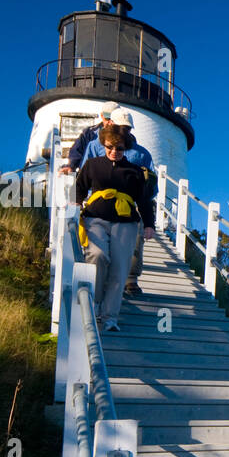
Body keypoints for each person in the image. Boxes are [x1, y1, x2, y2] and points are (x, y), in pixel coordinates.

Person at [73, 124, 155, 331]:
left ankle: (110, 318)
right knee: (97, 256)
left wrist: (149, 225)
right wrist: (75, 204)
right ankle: (94, 305)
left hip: (126, 223)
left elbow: (144, 200)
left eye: (119, 148)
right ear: (103, 144)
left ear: (125, 148)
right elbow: (80, 187)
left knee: (119, 269)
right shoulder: (92, 165)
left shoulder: (135, 171)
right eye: (109, 147)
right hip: (95, 218)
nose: (114, 152)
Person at [82, 109, 155, 295]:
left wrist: (147, 218)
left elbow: (149, 185)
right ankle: (98, 290)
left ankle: (130, 280)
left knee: (135, 244)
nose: (123, 130)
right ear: (109, 124)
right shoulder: (95, 145)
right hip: (100, 207)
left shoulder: (142, 154)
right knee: (99, 248)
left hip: (128, 208)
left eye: (127, 128)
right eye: (119, 126)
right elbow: (86, 172)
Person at [60, 105, 115, 174]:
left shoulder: (126, 137)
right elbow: (77, 150)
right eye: (107, 118)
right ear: (102, 116)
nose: (109, 122)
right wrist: (71, 166)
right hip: (88, 175)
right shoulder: (90, 132)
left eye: (112, 119)